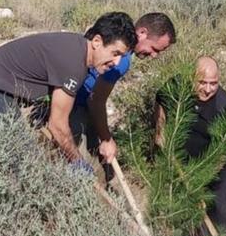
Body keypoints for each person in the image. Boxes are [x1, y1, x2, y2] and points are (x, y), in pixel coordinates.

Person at [0, 12, 137, 169]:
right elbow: (57, 125)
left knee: (6, 160)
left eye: (121, 56)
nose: (116, 62)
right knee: (23, 162)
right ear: (97, 42)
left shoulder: (77, 49)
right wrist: (78, 162)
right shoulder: (73, 63)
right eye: (115, 53)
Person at [153, 57, 226, 236]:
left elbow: (221, 153)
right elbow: (161, 100)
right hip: (183, 161)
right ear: (191, 78)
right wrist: (160, 132)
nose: (208, 89)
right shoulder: (177, 87)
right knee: (181, 212)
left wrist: (198, 183)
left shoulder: (225, 107)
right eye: (202, 82)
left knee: (224, 211)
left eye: (214, 83)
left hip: (216, 166)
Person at [70, 12, 176, 168]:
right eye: (154, 48)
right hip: (74, 106)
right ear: (142, 33)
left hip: (75, 100)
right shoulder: (122, 59)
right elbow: (96, 100)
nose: (154, 56)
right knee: (77, 165)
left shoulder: (113, 34)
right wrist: (107, 139)